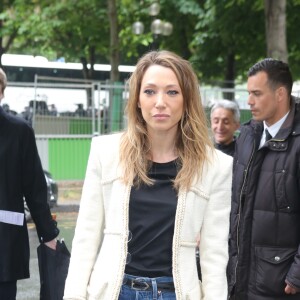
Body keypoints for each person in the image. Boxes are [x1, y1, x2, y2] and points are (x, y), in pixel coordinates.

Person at [64, 50, 232, 300]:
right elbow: (85, 239)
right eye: (150, 91)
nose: (160, 102)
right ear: (137, 100)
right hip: (114, 292)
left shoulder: (215, 166)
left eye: (172, 92)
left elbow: (214, 256)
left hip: (176, 293)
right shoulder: (105, 153)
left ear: (187, 100)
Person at [227, 58, 300, 299]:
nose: (249, 101)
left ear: (280, 94)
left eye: (256, 94)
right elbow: (235, 203)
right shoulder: (247, 135)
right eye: (249, 93)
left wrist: (297, 275)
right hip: (240, 277)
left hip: (281, 284)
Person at [0, 68, 59, 300]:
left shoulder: (19, 131)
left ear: (2, 93)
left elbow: (34, 188)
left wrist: (49, 235)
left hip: (3, 247)